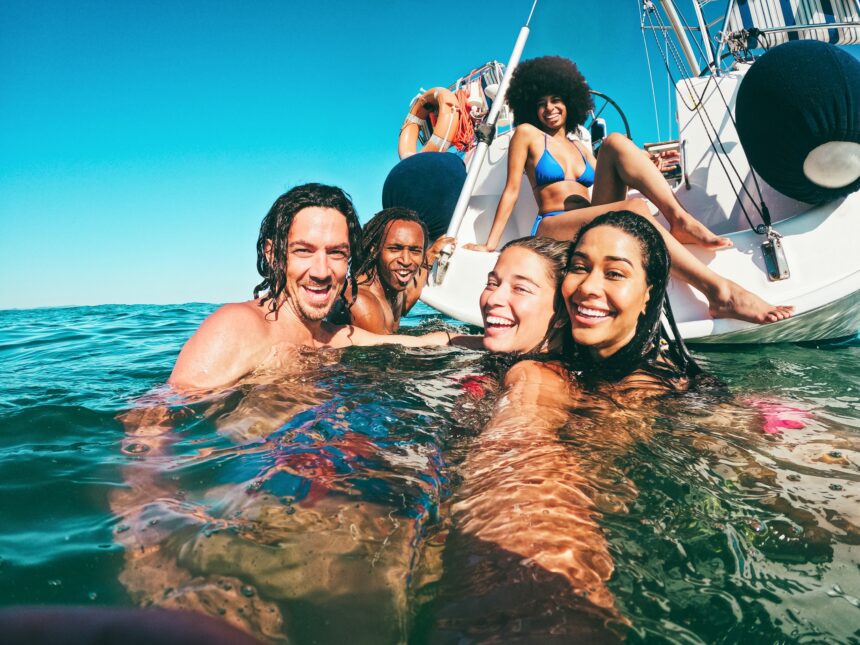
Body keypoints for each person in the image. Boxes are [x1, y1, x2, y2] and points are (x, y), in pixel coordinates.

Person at [465, 55, 793, 325]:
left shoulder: (580, 144)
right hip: (552, 227)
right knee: (632, 211)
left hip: (590, 221)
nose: (550, 108)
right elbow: (510, 190)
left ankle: (678, 217)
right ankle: (719, 292)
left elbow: (612, 180)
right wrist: (491, 244)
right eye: (541, 103)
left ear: (570, 100)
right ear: (530, 107)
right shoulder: (526, 134)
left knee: (616, 142)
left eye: (557, 99)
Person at [169, 183, 449, 391]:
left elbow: (423, 342)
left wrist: (487, 341)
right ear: (273, 254)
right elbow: (157, 419)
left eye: (337, 253)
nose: (321, 271)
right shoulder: (238, 327)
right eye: (304, 251)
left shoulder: (336, 337)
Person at [334, 207, 453, 334]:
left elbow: (406, 303)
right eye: (395, 249)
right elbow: (385, 352)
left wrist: (431, 255)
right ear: (374, 250)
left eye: (415, 251)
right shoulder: (361, 302)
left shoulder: (392, 288)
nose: (406, 261)